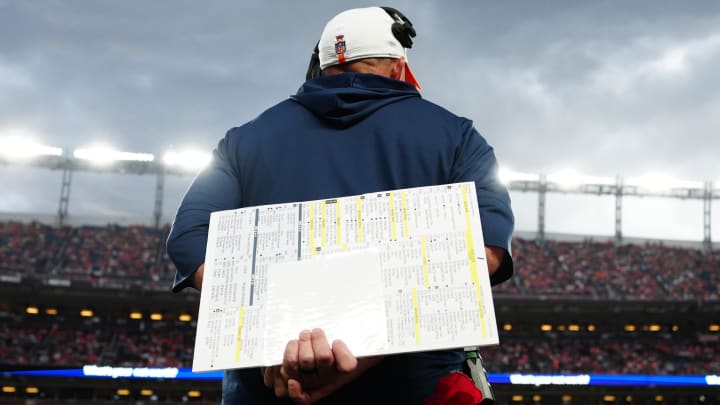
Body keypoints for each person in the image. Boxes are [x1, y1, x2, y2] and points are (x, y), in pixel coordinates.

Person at [166, 6, 514, 405]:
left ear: (321, 65)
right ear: (400, 68)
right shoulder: (458, 136)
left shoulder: (242, 141)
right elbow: (481, 253)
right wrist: (355, 354)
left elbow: (189, 242)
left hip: (270, 388)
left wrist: (287, 341)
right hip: (412, 388)